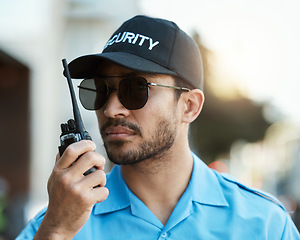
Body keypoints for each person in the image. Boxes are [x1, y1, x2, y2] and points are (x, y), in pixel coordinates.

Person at [17, 15, 299, 239]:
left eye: (136, 89)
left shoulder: (264, 224)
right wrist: (56, 233)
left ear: (188, 106)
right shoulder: (59, 222)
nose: (111, 109)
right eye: (100, 90)